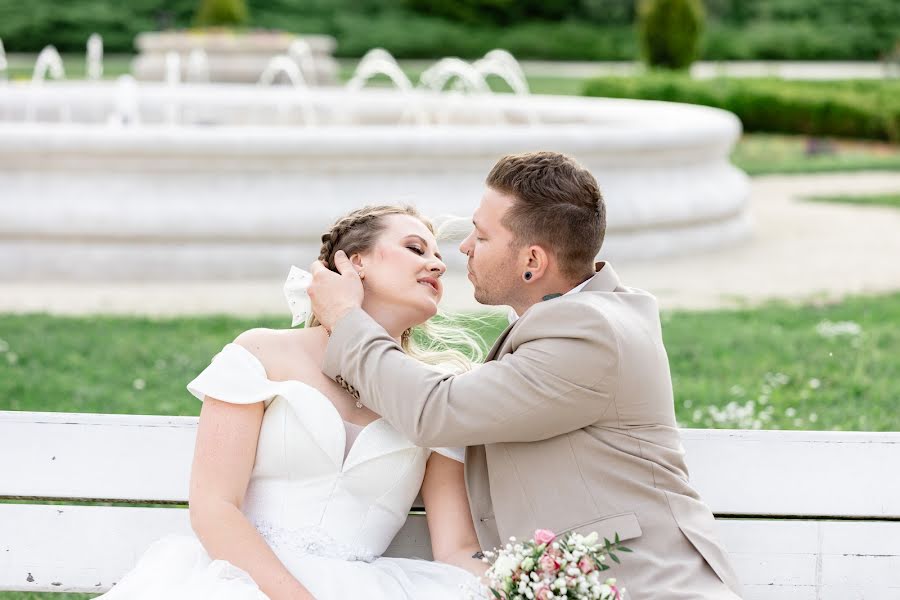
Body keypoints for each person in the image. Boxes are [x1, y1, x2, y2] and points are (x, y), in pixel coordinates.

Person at [308, 151, 744, 599]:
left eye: (481, 235)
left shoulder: (588, 333)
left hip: (647, 588)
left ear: (532, 260)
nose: (463, 248)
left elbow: (436, 411)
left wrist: (346, 319)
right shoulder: (576, 318)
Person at [98, 205, 485, 600]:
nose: (438, 266)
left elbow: (455, 548)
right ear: (355, 263)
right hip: (246, 580)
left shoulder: (435, 394)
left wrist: (531, 580)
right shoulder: (262, 354)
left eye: (439, 257)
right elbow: (215, 508)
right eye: (416, 249)